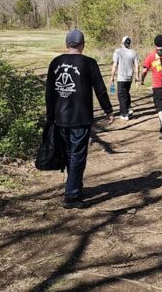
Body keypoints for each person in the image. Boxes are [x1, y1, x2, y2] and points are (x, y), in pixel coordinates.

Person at [46, 29, 114, 209]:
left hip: (60, 117)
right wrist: (108, 109)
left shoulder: (56, 62)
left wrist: (50, 115)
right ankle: (72, 196)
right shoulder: (89, 63)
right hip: (80, 117)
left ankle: (74, 185)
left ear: (67, 44)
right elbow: (100, 89)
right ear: (82, 44)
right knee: (77, 155)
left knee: (70, 153)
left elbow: (49, 92)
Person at [110, 36, 140, 120]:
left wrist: (112, 76)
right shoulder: (134, 52)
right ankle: (129, 108)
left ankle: (124, 114)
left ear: (122, 43)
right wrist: (137, 77)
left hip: (121, 78)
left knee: (121, 95)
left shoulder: (117, 52)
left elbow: (115, 65)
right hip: (129, 77)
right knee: (126, 93)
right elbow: (137, 66)